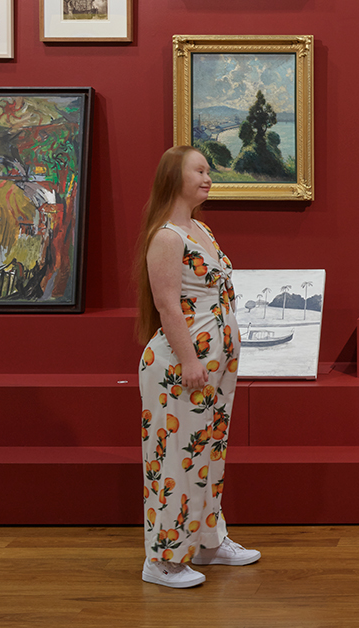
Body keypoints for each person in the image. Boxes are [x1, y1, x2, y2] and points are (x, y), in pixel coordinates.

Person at [135, 145, 260, 589]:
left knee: (207, 454)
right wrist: (190, 359)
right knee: (175, 460)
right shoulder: (168, 236)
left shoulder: (200, 229)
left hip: (214, 366)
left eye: (209, 171)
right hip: (180, 367)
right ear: (175, 177)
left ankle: (208, 542)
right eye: (200, 170)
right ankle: (164, 559)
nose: (209, 178)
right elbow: (167, 305)